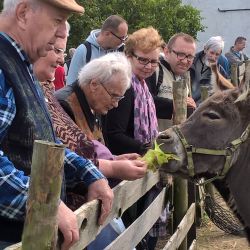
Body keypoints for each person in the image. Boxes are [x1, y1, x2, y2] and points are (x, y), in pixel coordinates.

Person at [0, 1, 113, 249]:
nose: (62, 32)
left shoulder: (21, 64)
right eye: (57, 20)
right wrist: (41, 203)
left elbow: (42, 144)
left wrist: (88, 172)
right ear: (23, 13)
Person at [35, 37, 147, 250]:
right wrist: (113, 167)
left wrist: (113, 160)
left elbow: (82, 152)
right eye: (55, 49)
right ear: (94, 85)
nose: (61, 59)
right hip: (68, 214)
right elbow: (60, 154)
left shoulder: (84, 103)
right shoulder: (64, 103)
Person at [102, 27, 164, 250]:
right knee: (134, 232)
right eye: (143, 60)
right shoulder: (126, 86)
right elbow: (114, 135)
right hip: (125, 169)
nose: (148, 66)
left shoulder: (142, 85)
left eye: (154, 62)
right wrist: (146, 147)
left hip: (137, 165)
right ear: (128, 56)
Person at [146, 32, 197, 131]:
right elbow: (144, 100)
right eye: (181, 54)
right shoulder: (153, 70)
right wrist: (175, 105)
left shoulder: (185, 77)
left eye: (190, 56)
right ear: (166, 51)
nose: (185, 61)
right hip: (154, 142)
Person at [66, 14, 128, 85]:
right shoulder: (84, 51)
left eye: (125, 37)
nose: (123, 42)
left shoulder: (121, 51)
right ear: (107, 34)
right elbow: (70, 86)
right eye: (122, 38)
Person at [190, 36, 228, 103]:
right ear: (205, 49)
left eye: (217, 54)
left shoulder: (220, 72)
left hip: (206, 108)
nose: (213, 58)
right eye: (212, 53)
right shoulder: (190, 62)